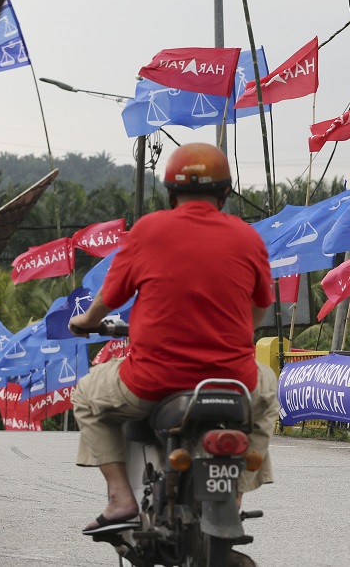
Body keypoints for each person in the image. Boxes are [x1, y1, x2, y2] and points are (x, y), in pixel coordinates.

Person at [69, 142, 280, 535]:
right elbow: (259, 308)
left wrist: (85, 320)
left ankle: (120, 499)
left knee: (85, 395)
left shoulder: (149, 229)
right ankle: (234, 495)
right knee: (266, 395)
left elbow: (109, 298)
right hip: (232, 381)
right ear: (224, 192)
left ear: (170, 190)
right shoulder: (247, 237)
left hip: (150, 381)